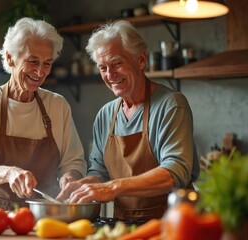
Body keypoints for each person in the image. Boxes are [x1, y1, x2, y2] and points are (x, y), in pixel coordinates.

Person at [57, 20, 200, 221]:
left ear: (141, 60)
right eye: (103, 67)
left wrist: (112, 187)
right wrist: (82, 184)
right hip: (124, 225)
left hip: (172, 223)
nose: (110, 75)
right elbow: (101, 172)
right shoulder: (105, 115)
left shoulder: (171, 105)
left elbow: (174, 172)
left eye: (116, 63)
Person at [0, 17, 86, 210]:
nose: (40, 72)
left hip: (44, 214)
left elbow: (73, 161)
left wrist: (69, 178)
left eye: (47, 63)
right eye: (33, 61)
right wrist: (9, 173)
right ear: (10, 58)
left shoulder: (57, 106)